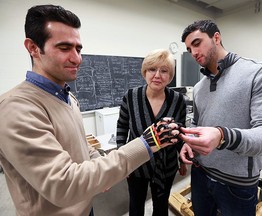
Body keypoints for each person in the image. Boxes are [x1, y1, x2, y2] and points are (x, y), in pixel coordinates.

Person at [0, 5, 182, 216]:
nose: (77, 58)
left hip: (86, 205)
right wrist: (147, 143)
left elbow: (80, 143)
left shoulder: (68, 97)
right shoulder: (16, 108)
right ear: (33, 48)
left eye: (78, 49)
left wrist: (100, 166)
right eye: (64, 48)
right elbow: (63, 184)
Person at [178, 19, 262, 216]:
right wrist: (190, 142)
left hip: (236, 184)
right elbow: (197, 122)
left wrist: (223, 136)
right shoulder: (198, 88)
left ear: (216, 37)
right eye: (188, 49)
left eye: (197, 43)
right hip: (200, 174)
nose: (193, 53)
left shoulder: (259, 74)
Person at [116, 49, 187, 216]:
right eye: (152, 69)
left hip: (166, 165)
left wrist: (182, 160)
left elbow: (180, 132)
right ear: (145, 72)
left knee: (161, 207)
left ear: (170, 76)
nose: (157, 75)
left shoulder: (177, 100)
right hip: (136, 164)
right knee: (136, 206)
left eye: (164, 71)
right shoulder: (131, 96)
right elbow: (122, 126)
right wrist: (122, 159)